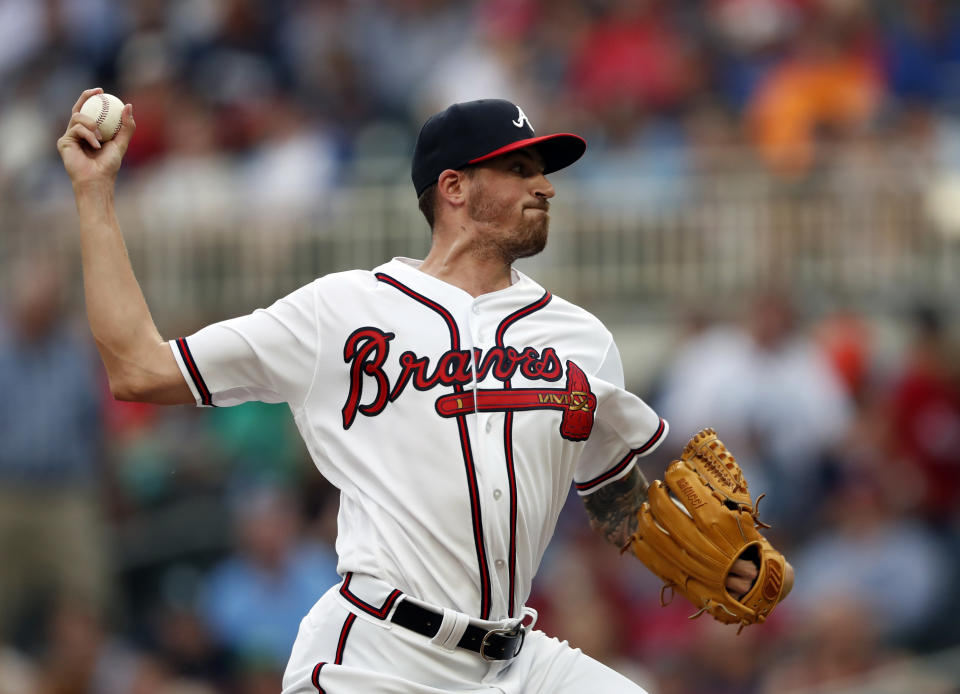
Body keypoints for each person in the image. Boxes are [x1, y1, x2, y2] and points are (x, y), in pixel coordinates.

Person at [58, 89, 778, 693]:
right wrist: (94, 193)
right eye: (520, 168)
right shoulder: (340, 312)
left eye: (543, 171)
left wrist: (709, 554)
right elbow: (139, 368)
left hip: (516, 661)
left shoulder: (581, 339)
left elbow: (612, 494)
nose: (545, 186)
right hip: (377, 656)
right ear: (454, 187)